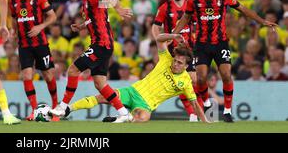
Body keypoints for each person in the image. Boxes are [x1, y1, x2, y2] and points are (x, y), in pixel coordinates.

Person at [172, 0, 277, 123]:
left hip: (220, 43)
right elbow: (186, 18)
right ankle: (207, 103)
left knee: (226, 76)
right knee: (200, 79)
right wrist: (173, 33)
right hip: (201, 43)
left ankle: (227, 111)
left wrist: (261, 21)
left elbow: (243, 9)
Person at [67, 33, 209, 123]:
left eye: (180, 63)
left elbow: (195, 104)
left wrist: (205, 122)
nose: (175, 64)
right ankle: (68, 109)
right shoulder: (166, 59)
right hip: (132, 91)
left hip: (145, 105)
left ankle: (119, 120)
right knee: (101, 97)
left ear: (186, 66)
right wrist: (173, 36)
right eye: (175, 61)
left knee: (144, 118)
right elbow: (159, 39)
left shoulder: (185, 82)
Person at [49, 0, 134, 123]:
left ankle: (62, 107)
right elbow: (95, 18)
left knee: (73, 70)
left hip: (101, 44)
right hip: (104, 45)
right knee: (100, 83)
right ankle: (124, 113)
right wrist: (81, 26)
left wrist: (119, 9)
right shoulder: (85, 2)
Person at [9, 0, 59, 120]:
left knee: (49, 76)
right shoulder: (13, 1)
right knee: (26, 76)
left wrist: (40, 27)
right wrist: (13, 31)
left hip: (41, 43)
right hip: (24, 45)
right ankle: (34, 110)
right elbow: (14, 19)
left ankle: (55, 107)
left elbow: (53, 16)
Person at [151, 0, 197, 122]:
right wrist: (160, 42)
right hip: (172, 51)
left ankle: (195, 113)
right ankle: (193, 114)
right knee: (180, 82)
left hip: (189, 50)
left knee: (193, 81)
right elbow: (155, 26)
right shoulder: (165, 7)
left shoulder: (191, 8)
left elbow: (197, 25)